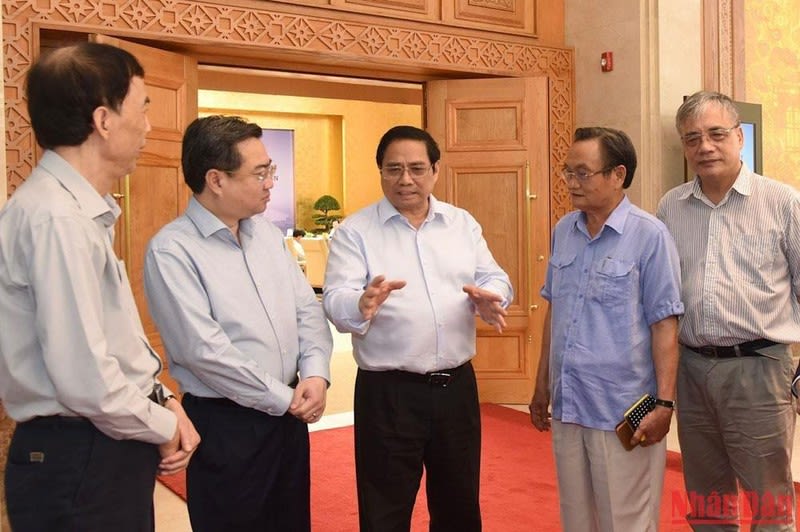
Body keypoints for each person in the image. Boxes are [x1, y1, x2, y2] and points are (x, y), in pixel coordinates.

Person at [0, 42, 200, 531]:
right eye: (142, 108)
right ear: (104, 120)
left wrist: (163, 399)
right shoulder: (57, 219)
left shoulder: (79, 212)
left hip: (97, 444)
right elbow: (85, 379)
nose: (149, 127)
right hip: (79, 452)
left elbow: (113, 345)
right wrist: (162, 424)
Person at [143, 115, 333, 532]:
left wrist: (316, 374)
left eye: (270, 171)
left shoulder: (266, 234)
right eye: (260, 173)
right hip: (227, 424)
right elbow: (204, 352)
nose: (270, 183)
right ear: (216, 179)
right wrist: (285, 400)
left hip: (288, 417)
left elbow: (306, 309)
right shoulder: (173, 251)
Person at [323, 125, 512, 531]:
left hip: (456, 389)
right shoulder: (356, 231)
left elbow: (495, 277)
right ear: (380, 171)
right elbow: (335, 298)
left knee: (459, 507)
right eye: (393, 169)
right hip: (388, 394)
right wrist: (360, 303)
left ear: (435, 170)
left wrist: (491, 295)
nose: (405, 179)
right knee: (385, 512)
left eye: (416, 168)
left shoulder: (461, 224)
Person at [657, 91, 800, 530]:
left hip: (758, 370)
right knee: (707, 499)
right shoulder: (671, 206)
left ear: (739, 137)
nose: (705, 146)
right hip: (692, 369)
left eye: (716, 134)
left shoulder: (782, 202)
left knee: (768, 501)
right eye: (692, 138)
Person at [529, 127, 683, 531]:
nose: (571, 182)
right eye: (568, 172)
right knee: (577, 519)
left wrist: (665, 405)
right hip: (570, 404)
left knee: (625, 522)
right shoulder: (565, 230)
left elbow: (664, 324)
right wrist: (542, 384)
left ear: (618, 174)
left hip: (623, 408)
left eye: (583, 173)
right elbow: (555, 310)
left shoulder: (650, 236)